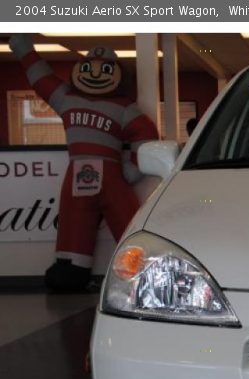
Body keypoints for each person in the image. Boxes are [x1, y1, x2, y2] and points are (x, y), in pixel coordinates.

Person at [10, 34, 159, 291]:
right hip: (92, 174)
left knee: (126, 221)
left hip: (108, 176)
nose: (96, 74)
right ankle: (71, 273)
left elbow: (144, 131)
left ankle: (144, 270)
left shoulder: (119, 107)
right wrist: (23, 47)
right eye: (89, 69)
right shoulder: (69, 98)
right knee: (76, 223)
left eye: (106, 70)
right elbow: (41, 79)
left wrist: (133, 168)